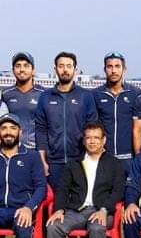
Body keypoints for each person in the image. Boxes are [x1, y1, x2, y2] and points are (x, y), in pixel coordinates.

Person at [46, 121, 126, 238]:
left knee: (97, 228)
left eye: (96, 138)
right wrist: (58, 209)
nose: (92, 141)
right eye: (88, 138)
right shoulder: (74, 163)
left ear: (104, 140)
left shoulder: (114, 164)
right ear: (83, 141)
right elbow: (62, 189)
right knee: (53, 226)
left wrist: (104, 210)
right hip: (76, 211)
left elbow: (118, 191)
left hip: (102, 210)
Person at [35, 51, 98, 190]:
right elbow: (40, 130)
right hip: (54, 162)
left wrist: (91, 159)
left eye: (69, 66)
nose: (65, 70)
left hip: (80, 160)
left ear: (75, 70)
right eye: (61, 66)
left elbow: (93, 129)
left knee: (79, 203)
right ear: (55, 69)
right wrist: (43, 162)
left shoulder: (85, 96)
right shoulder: (45, 97)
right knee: (55, 203)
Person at [94, 51, 140, 170]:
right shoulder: (95, 94)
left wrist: (138, 157)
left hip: (128, 159)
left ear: (124, 69)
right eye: (110, 66)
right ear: (104, 69)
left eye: (117, 66)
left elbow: (139, 128)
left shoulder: (135, 94)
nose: (113, 70)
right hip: (103, 158)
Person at [0, 52, 45, 150]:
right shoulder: (6, 94)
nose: (21, 70)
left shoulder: (43, 93)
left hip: (36, 150)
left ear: (33, 70)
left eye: (26, 66)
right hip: (13, 149)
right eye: (18, 66)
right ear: (13, 71)